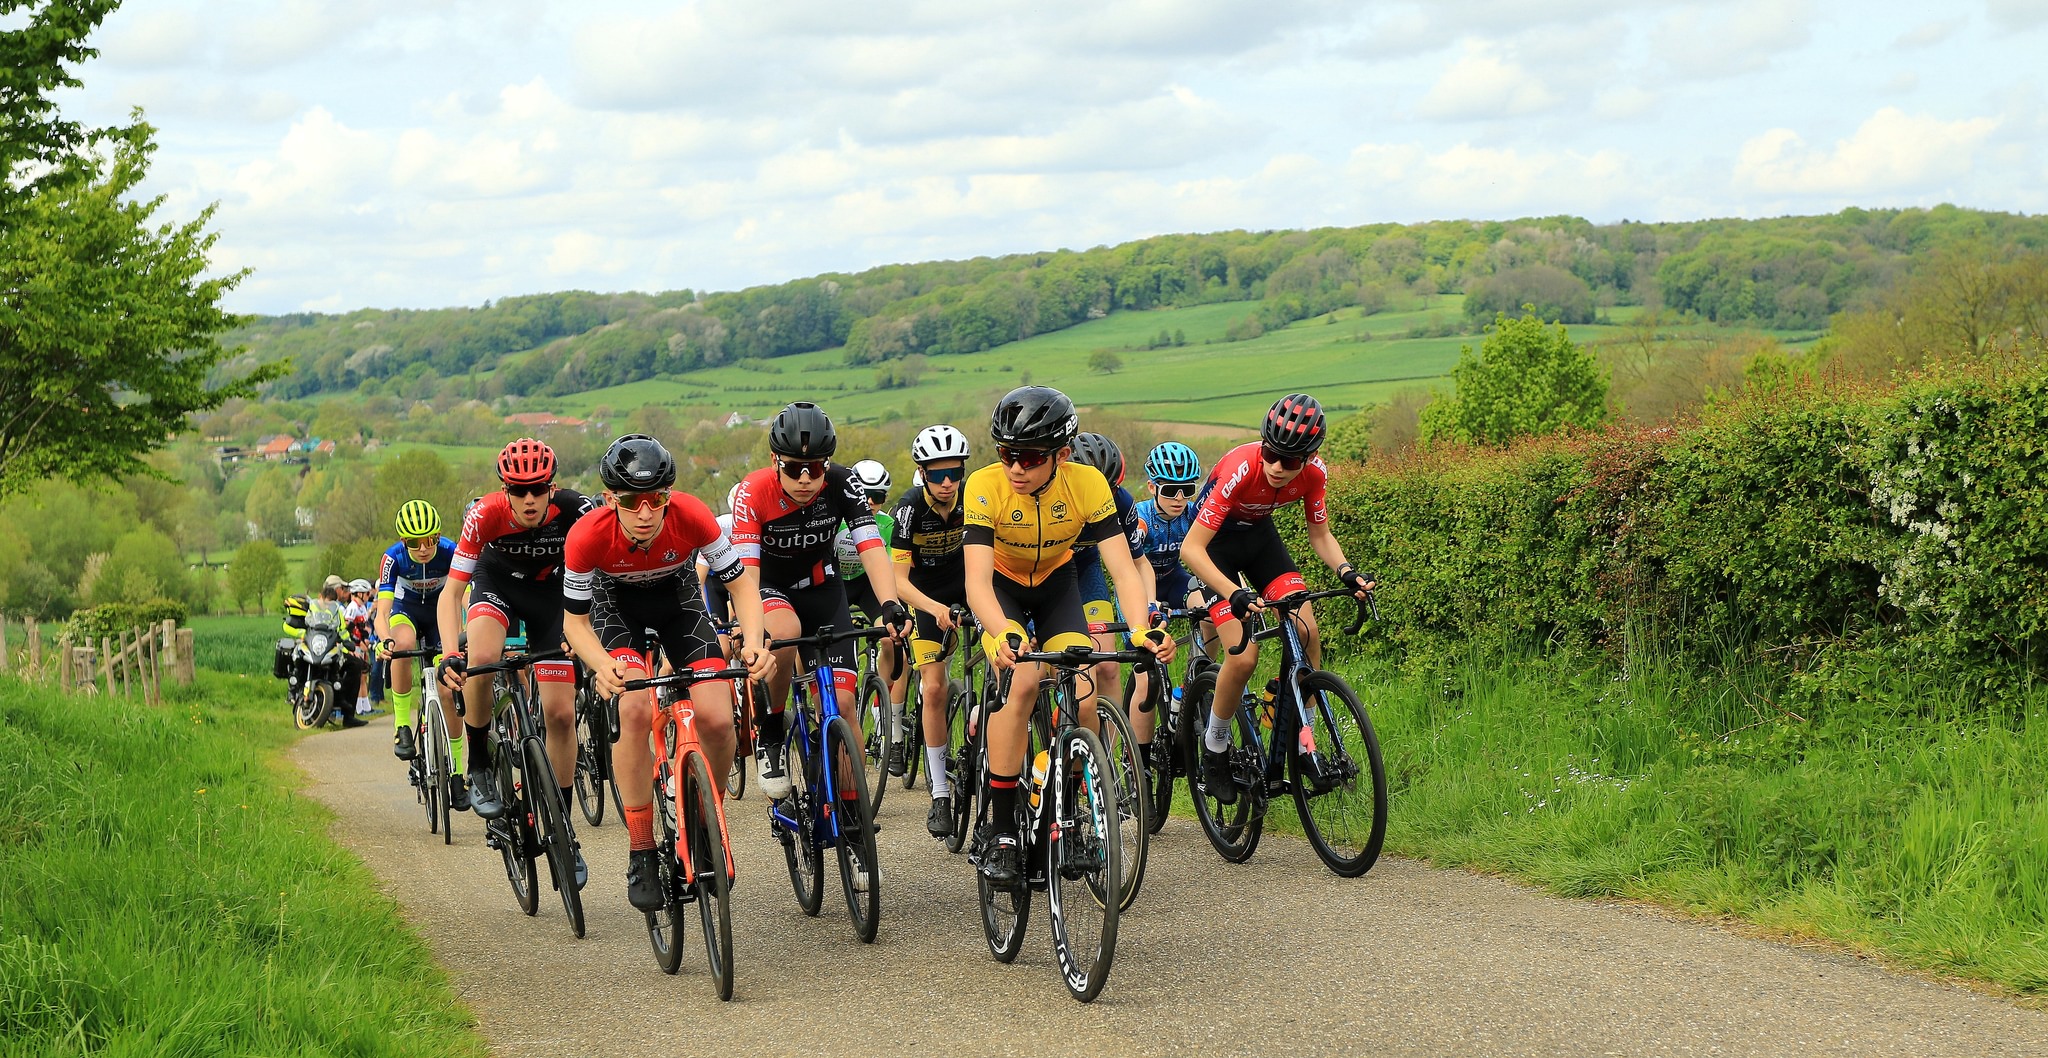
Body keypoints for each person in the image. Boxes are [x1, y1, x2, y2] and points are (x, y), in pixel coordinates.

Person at [962, 387, 1172, 886]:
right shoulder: (984, 486)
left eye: (1030, 458)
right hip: (1001, 589)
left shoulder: (1088, 484)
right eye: (1007, 453)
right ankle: (1002, 830)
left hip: (1057, 585)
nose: (1016, 467)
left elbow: (1123, 569)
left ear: (1060, 454)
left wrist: (1141, 628)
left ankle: (1071, 814)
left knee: (1083, 692)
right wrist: (1003, 632)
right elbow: (976, 583)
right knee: (1024, 682)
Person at [562, 434, 773, 911]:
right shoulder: (587, 535)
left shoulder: (692, 515)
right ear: (610, 499)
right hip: (616, 611)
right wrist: (601, 665)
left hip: (679, 605)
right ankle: (640, 847)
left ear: (668, 496)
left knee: (718, 719)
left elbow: (742, 587)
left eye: (656, 499)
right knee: (635, 710)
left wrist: (754, 643)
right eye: (631, 501)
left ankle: (705, 819)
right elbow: (574, 623)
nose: (644, 512)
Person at [1180, 394, 1374, 806]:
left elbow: (1320, 534)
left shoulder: (1315, 474)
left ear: (1310, 457)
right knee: (1243, 657)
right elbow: (1191, 549)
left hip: (1259, 540)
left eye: (1289, 460)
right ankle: (1215, 746)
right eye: (1271, 453)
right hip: (1213, 548)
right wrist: (1232, 592)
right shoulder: (1240, 468)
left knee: (1307, 632)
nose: (1276, 467)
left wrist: (1346, 571)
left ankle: (1303, 741)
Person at [728, 402, 910, 813]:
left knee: (843, 706)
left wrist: (890, 604)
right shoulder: (753, 492)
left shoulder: (843, 483)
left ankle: (852, 816)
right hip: (769, 588)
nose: (806, 478)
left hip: (823, 588)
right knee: (784, 632)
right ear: (775, 461)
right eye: (794, 468)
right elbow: (746, 575)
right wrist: (751, 632)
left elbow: (871, 547)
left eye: (816, 467)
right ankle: (771, 729)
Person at [437, 438, 594, 883]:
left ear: (552, 487)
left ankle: (562, 829)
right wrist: (450, 653)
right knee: (484, 657)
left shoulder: (576, 509)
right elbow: (451, 593)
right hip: (497, 587)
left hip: (552, 599)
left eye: (537, 489)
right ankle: (479, 764)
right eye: (518, 490)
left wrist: (586, 635)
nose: (529, 499)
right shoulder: (484, 515)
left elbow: (600, 577)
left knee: (560, 714)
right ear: (504, 490)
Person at [889, 423, 971, 837]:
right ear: (922, 473)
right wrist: (934, 607)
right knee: (935, 687)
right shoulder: (909, 509)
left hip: (967, 587)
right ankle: (940, 793)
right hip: (923, 596)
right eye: (937, 474)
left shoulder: (972, 498)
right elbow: (898, 581)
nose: (947, 482)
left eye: (954, 472)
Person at [1065, 432, 1152, 742]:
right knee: (1043, 673)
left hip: (1086, 570)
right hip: (1044, 576)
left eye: (1110, 489)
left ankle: (1107, 760)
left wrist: (1147, 610)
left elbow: (1137, 564)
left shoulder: (1122, 502)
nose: (1101, 497)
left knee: (1107, 668)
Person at [374, 500, 459, 809]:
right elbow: (382, 613)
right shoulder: (393, 558)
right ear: (403, 541)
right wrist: (385, 640)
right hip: (405, 612)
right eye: (414, 542)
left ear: (439, 536)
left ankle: (458, 772)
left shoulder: (451, 551)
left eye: (430, 540)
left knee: (449, 687)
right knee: (403, 644)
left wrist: (465, 637)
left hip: (439, 614)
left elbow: (464, 599)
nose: (423, 549)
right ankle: (402, 726)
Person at [1129, 441, 1207, 747]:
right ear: (1152, 487)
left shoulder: (1192, 515)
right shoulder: (1141, 516)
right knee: (1147, 677)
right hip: (1139, 587)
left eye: (1187, 490)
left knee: (1209, 609)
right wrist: (1150, 604)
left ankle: (1197, 678)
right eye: (1171, 490)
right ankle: (1138, 759)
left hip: (1174, 580)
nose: (1179, 498)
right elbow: (1135, 558)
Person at [839, 457, 908, 773]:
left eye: (878, 496)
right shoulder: (838, 520)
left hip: (867, 586)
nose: (870, 502)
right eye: (864, 495)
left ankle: (882, 713)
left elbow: (891, 573)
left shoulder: (887, 526)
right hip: (839, 585)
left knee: (890, 639)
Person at [345, 578, 378, 716]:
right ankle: (358, 707)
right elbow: (348, 628)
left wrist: (366, 639)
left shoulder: (362, 607)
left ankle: (366, 705)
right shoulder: (352, 607)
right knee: (358, 676)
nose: (368, 596)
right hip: (356, 646)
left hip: (362, 645)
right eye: (366, 593)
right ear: (359, 593)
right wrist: (359, 642)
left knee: (364, 675)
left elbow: (363, 627)